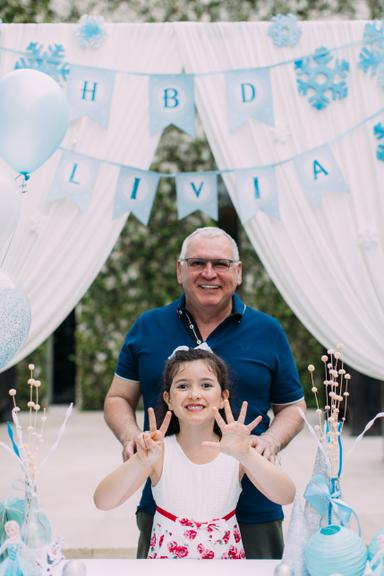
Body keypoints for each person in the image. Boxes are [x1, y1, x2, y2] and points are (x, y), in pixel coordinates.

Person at [104, 226, 306, 559]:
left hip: (254, 506)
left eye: (221, 264)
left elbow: (292, 408)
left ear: (237, 272)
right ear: (179, 270)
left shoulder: (268, 331)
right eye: (197, 263)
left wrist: (268, 443)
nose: (209, 273)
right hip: (166, 510)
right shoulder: (147, 326)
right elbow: (117, 398)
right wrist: (130, 439)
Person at [95, 349, 295, 560]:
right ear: (168, 399)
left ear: (223, 397)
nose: (194, 394)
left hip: (226, 567)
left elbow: (286, 495)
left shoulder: (237, 453)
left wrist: (247, 455)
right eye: (183, 386)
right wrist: (139, 461)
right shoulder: (159, 453)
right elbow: (103, 501)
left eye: (206, 385)